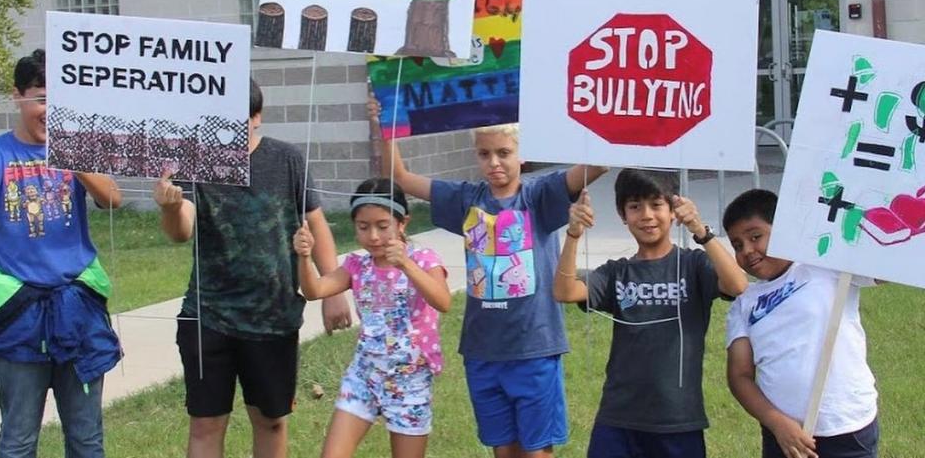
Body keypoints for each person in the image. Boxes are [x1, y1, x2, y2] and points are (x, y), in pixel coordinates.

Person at [370, 96, 606, 458]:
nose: (494, 162)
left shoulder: (540, 196)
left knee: (536, 451)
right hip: (483, 351)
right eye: (484, 154)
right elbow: (399, 178)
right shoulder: (466, 199)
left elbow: (598, 165)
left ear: (522, 154)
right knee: (503, 450)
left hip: (534, 349)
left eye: (504, 152)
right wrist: (385, 125)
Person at [153, 79, 352, 458]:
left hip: (273, 316)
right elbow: (182, 231)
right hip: (207, 315)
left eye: (237, 119)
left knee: (271, 421)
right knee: (206, 424)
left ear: (256, 117)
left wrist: (333, 291)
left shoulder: (287, 159)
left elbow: (316, 222)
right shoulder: (195, 162)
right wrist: (170, 207)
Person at [0, 49, 123, 458]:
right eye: (42, 98)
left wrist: (73, 155)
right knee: (18, 439)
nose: (51, 111)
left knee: (86, 438)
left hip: (77, 310)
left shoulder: (79, 148)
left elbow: (113, 199)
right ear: (17, 96)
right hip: (20, 316)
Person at [553, 169, 748, 458]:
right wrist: (573, 234)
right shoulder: (617, 273)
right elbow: (565, 291)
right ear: (622, 215)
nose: (646, 215)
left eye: (656, 204)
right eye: (635, 206)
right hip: (619, 417)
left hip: (678, 418)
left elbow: (738, 284)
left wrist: (700, 230)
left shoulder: (693, 265)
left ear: (673, 211)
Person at [293, 178, 450, 458]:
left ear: (403, 223)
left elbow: (443, 301)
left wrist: (406, 264)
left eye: (382, 226)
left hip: (409, 381)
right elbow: (315, 290)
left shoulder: (425, 260)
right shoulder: (357, 265)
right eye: (363, 227)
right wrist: (305, 257)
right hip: (364, 376)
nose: (373, 236)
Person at [723, 189, 879, 458]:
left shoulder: (827, 265)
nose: (747, 250)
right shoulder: (744, 304)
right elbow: (740, 376)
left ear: (784, 228)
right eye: (737, 245)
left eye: (755, 236)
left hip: (849, 425)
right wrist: (777, 423)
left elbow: (888, 268)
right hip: (786, 437)